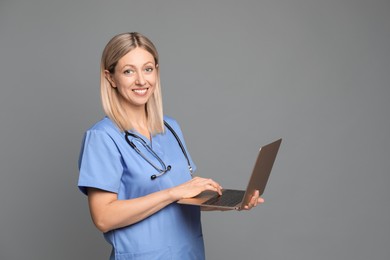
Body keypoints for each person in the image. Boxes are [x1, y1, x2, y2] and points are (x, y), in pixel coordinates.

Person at [78, 32, 264, 260]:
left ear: (156, 70)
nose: (141, 80)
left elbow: (181, 199)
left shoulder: (170, 128)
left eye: (147, 69)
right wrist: (172, 193)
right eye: (128, 71)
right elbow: (103, 217)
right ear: (111, 78)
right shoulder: (102, 137)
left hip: (188, 253)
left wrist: (230, 202)